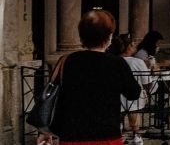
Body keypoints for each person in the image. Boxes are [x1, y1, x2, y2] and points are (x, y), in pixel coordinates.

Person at [35, 10, 141, 145]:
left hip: (72, 136)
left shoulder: (66, 61)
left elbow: (50, 96)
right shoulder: (117, 63)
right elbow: (133, 93)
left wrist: (44, 131)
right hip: (107, 136)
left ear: (81, 36)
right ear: (109, 37)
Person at [110, 35, 155, 145]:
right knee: (134, 109)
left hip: (116, 97)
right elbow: (147, 82)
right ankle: (136, 134)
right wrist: (150, 68)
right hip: (133, 97)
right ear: (128, 47)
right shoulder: (137, 62)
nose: (134, 47)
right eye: (133, 45)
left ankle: (120, 133)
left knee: (121, 110)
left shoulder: (111, 61)